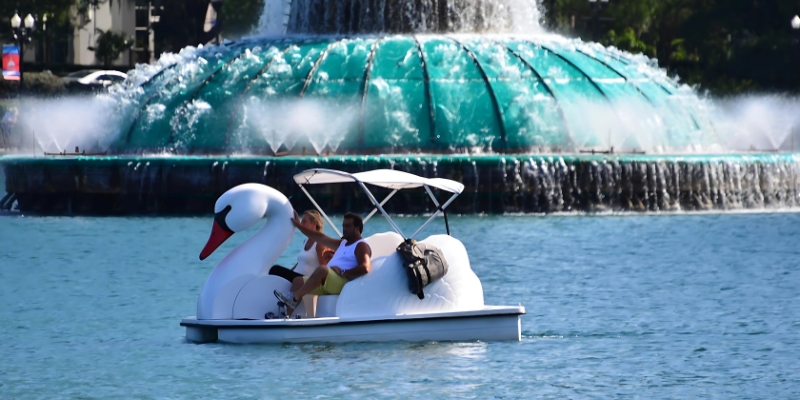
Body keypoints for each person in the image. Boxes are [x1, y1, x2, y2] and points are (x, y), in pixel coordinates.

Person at [274, 212, 372, 313]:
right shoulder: (343, 243)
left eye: (348, 226)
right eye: (343, 225)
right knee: (298, 281)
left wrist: (343, 272)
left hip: (343, 282)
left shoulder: (361, 245)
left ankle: (294, 297)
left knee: (322, 269)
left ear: (357, 229)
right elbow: (319, 237)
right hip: (328, 280)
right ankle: (284, 317)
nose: (344, 228)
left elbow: (365, 267)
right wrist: (299, 226)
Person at [268, 210, 331, 282]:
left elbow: (324, 269)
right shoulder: (306, 241)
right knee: (275, 274)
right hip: (297, 276)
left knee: (275, 270)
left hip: (306, 281)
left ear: (314, 223)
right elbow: (300, 263)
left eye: (304, 221)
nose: (301, 223)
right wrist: (289, 272)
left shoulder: (319, 244)